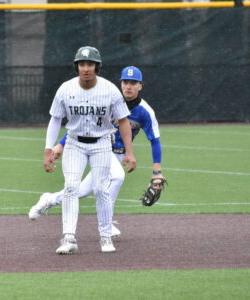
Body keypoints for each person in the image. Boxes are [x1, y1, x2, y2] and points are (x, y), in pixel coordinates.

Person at [32, 65, 163, 247]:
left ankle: (49, 199)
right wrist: (61, 145)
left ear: (141, 85)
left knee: (82, 191)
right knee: (117, 177)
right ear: (121, 84)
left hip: (119, 155)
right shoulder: (109, 98)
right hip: (102, 148)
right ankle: (107, 223)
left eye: (133, 83)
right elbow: (84, 124)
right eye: (125, 82)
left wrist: (157, 170)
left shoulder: (145, 111)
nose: (128, 86)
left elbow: (155, 140)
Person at [43, 46, 136, 255]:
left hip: (102, 143)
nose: (86, 68)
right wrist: (48, 150)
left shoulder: (110, 90)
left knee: (102, 189)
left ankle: (105, 237)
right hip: (75, 143)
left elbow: (123, 120)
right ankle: (69, 238)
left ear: (97, 67)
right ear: (77, 66)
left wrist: (129, 152)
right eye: (82, 64)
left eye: (90, 64)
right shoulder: (65, 89)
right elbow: (55, 119)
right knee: (70, 187)